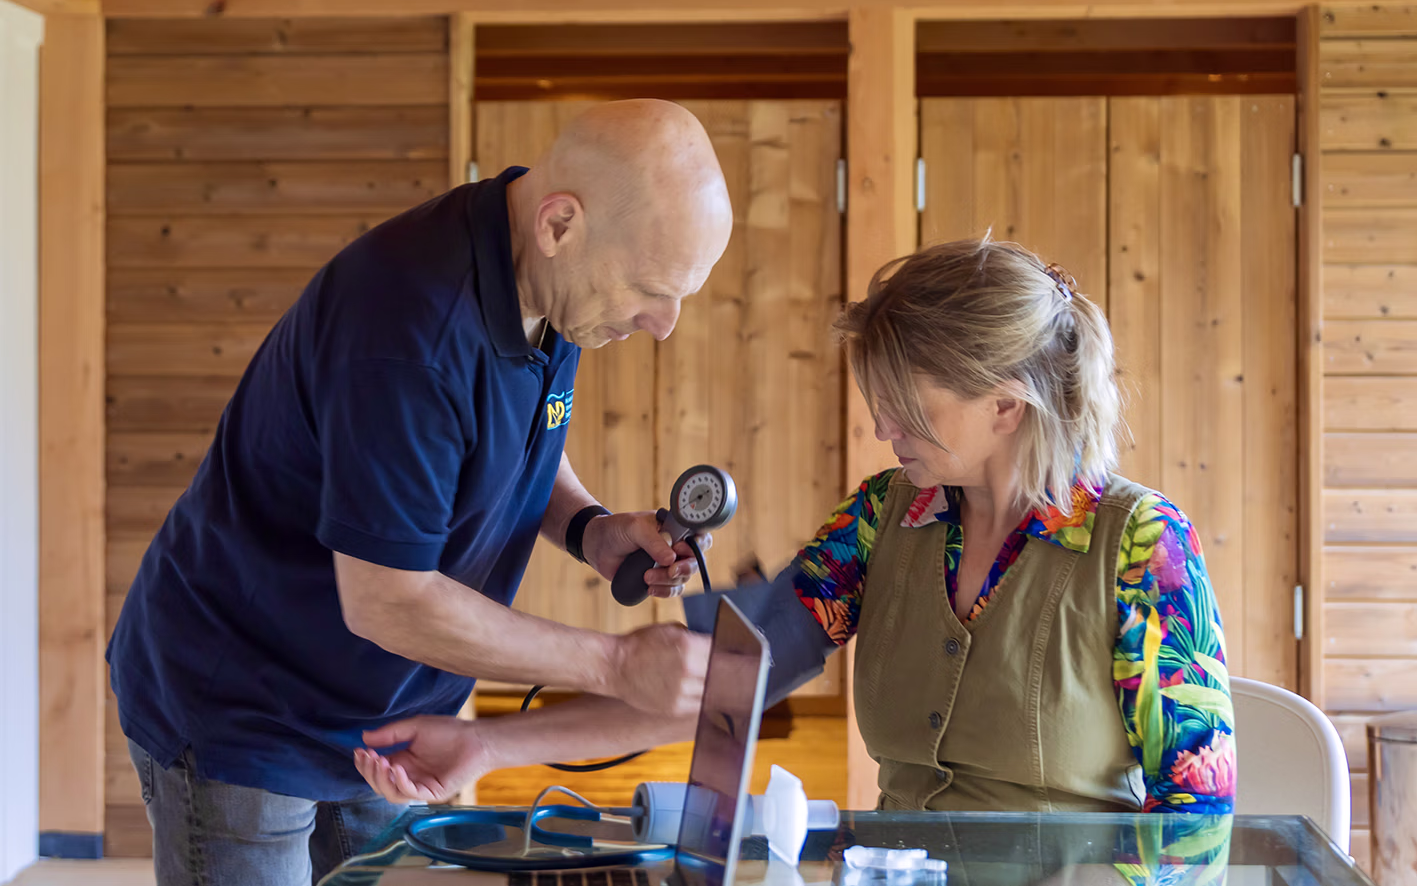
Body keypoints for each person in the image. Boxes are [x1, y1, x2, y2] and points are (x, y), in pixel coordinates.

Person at [355, 237, 1236, 818]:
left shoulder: (1140, 546)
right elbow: (716, 685)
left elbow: (1195, 822)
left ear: (1005, 404)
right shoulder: (881, 518)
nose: (882, 430)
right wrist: (486, 744)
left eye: (904, 407)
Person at [106, 99, 735, 886]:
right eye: (650, 288)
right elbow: (385, 600)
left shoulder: (545, 278)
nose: (664, 324)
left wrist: (590, 528)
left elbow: (516, 424)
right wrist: (613, 663)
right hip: (247, 701)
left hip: (388, 712)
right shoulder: (407, 331)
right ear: (560, 222)